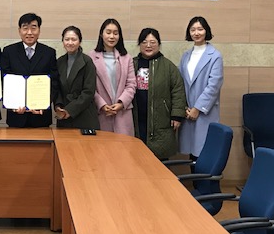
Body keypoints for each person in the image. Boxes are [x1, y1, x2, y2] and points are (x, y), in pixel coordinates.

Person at [132, 28, 186, 160]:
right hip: (136, 116)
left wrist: (177, 115)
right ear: (139, 44)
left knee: (158, 157)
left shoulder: (168, 66)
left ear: (159, 44)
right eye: (144, 42)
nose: (148, 45)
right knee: (135, 156)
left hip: (161, 118)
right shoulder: (132, 64)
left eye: (152, 42)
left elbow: (178, 90)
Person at [1, 13, 60, 128]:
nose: (29, 32)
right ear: (19, 31)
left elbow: (54, 81)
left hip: (40, 116)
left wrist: (44, 103)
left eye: (33, 28)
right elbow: (4, 80)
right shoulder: (9, 51)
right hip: (16, 115)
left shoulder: (49, 53)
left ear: (39, 30)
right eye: (25, 28)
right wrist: (12, 104)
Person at [178, 16, 224, 159]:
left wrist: (197, 109)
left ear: (206, 31)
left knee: (203, 154)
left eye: (200, 29)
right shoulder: (186, 56)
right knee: (191, 154)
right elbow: (179, 83)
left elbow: (214, 86)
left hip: (204, 112)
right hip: (187, 111)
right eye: (193, 30)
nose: (196, 33)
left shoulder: (215, 56)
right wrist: (184, 106)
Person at [89, 18, 136, 135]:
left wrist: (121, 103)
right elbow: (89, 86)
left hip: (122, 112)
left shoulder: (127, 58)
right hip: (101, 113)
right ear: (101, 34)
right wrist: (102, 104)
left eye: (115, 33)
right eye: (108, 32)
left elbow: (131, 84)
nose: (112, 36)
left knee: (124, 146)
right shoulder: (91, 57)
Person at [54, 26, 99, 130]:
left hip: (84, 116)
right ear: (63, 41)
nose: (70, 43)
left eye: (74, 39)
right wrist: (58, 106)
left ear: (80, 41)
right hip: (63, 116)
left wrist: (70, 110)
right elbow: (57, 88)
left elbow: (88, 92)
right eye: (67, 39)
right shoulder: (59, 62)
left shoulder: (87, 62)